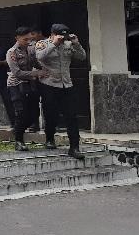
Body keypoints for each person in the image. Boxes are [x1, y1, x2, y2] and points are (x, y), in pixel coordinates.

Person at [35, 23, 87, 159]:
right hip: (49, 85)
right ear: (52, 34)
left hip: (66, 85)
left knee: (71, 116)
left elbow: (82, 57)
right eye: (60, 36)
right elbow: (40, 57)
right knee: (51, 114)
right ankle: (49, 138)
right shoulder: (42, 43)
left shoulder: (68, 44)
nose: (63, 38)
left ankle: (74, 147)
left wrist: (76, 44)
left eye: (64, 36)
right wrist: (54, 44)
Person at [6, 27, 47, 152]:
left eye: (30, 39)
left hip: (30, 84)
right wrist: (36, 73)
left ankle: (18, 130)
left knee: (34, 113)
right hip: (16, 85)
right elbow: (17, 72)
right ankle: (19, 141)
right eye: (25, 39)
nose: (28, 41)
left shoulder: (30, 49)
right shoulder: (11, 52)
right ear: (17, 38)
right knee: (21, 112)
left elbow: (35, 63)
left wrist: (45, 70)